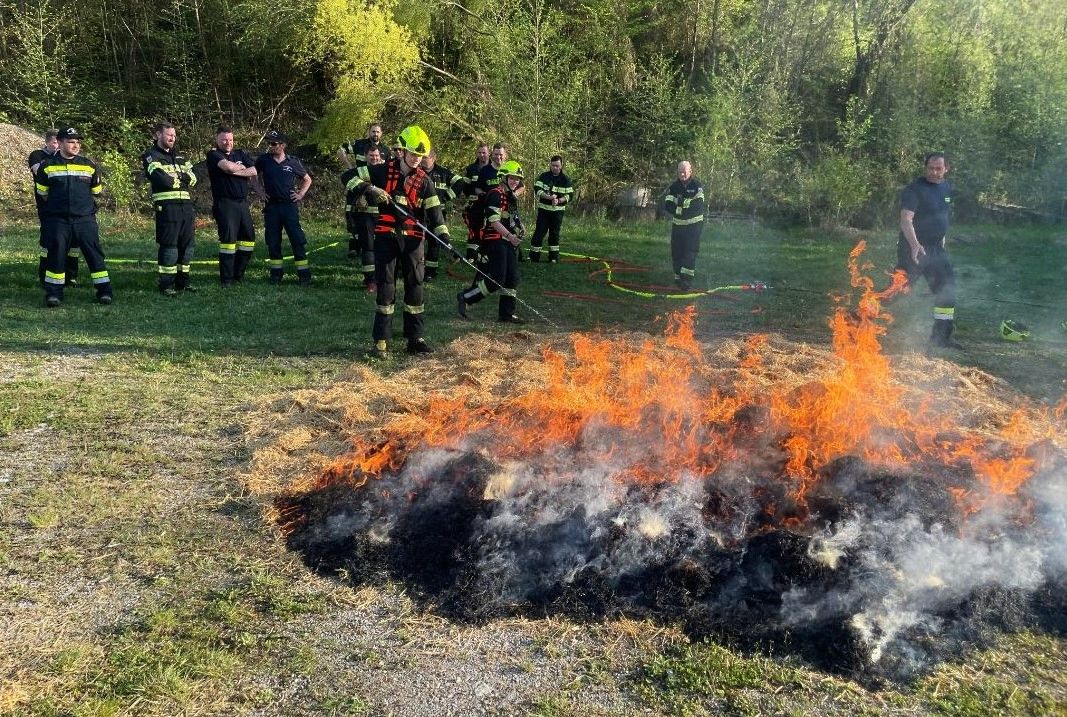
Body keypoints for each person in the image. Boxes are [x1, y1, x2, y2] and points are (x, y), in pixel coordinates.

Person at [346, 125, 450, 358]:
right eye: (413, 154)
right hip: (386, 237)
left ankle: (415, 339)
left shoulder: (425, 181)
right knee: (387, 288)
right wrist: (370, 189)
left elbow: (435, 214)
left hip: (413, 240)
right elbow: (348, 178)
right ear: (402, 151)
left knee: (416, 287)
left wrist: (444, 237)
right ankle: (381, 341)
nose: (416, 160)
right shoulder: (381, 171)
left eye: (420, 156)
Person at [35, 126, 112, 307]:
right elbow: (42, 193)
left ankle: (104, 292)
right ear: (60, 143)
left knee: (95, 255)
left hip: (85, 220)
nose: (75, 145)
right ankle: (53, 294)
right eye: (71, 141)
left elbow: (97, 191)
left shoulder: (89, 165)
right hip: (58, 220)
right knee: (56, 255)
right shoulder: (47, 166)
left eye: (78, 141)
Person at [897, 152, 959, 350]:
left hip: (936, 250)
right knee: (897, 291)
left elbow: (940, 217)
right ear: (925, 168)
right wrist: (915, 245)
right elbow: (906, 219)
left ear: (946, 169)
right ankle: (855, 321)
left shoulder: (946, 188)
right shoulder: (914, 190)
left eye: (938, 169)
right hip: (914, 249)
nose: (933, 172)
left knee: (947, 291)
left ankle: (941, 337)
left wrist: (941, 242)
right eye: (930, 168)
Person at [457, 160, 525, 324]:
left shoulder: (510, 197)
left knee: (512, 278)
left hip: (507, 241)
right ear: (504, 177)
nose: (515, 181)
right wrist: (510, 236)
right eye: (512, 178)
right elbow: (494, 221)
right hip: (495, 241)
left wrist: (521, 228)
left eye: (517, 179)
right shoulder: (495, 194)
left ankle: (506, 314)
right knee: (498, 279)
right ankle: (466, 297)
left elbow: (512, 218)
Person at [143, 121, 197, 296]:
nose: (173, 138)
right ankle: (166, 285)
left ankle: (184, 282)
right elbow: (162, 180)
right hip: (167, 209)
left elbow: (194, 178)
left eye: (174, 135)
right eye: (169, 135)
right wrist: (181, 179)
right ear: (158, 135)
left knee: (187, 246)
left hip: (186, 209)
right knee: (170, 246)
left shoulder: (181, 158)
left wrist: (178, 177)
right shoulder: (151, 156)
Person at [253, 130, 313, 285]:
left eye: (274, 143)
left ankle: (304, 275)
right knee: (273, 241)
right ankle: (276, 274)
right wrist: (260, 191)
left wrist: (300, 194)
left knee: (297, 240)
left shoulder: (293, 162)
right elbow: (252, 175)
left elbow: (307, 179)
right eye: (269, 144)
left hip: (289, 207)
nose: (271, 147)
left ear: (283, 145)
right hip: (272, 207)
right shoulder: (264, 160)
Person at [206, 126, 258, 286]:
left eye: (230, 139)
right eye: (224, 139)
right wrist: (240, 168)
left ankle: (238, 274)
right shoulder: (213, 154)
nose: (228, 142)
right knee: (228, 241)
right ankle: (226, 279)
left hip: (242, 203)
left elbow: (254, 171)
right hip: (225, 203)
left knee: (248, 239)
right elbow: (227, 166)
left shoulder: (240, 153)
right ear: (217, 140)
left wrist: (236, 171)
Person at [28, 129, 80, 286]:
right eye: (54, 142)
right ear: (48, 142)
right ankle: (45, 275)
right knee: (48, 241)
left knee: (73, 243)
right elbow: (40, 172)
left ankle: (70, 275)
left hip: (68, 208)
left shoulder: (69, 160)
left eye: (59, 143)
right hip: (46, 207)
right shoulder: (37, 155)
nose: (57, 146)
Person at [341, 146, 384, 291]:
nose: (374, 158)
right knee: (369, 247)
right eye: (371, 155)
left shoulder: (386, 170)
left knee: (384, 248)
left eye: (376, 155)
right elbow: (349, 183)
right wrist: (365, 191)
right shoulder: (361, 171)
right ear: (365, 156)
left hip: (384, 215)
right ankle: (370, 280)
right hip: (366, 215)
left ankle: (383, 277)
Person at [421, 150, 464, 280]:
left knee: (435, 242)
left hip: (437, 214)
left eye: (426, 157)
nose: (423, 160)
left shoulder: (443, 172)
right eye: (422, 157)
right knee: (417, 241)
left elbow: (460, 182)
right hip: (420, 213)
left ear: (433, 158)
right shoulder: (417, 172)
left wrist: (446, 196)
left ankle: (430, 272)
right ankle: (416, 268)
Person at [663, 160, 705, 290]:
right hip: (678, 226)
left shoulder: (697, 186)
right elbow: (668, 205)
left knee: (690, 252)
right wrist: (682, 207)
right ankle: (678, 277)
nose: (682, 174)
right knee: (677, 252)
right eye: (679, 171)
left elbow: (697, 206)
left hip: (694, 226)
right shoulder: (673, 187)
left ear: (690, 171)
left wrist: (680, 204)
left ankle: (686, 281)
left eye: (684, 171)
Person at [529, 155, 574, 263]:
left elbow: (570, 195)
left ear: (561, 165)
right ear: (550, 165)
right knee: (539, 233)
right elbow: (537, 189)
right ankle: (533, 257)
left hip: (557, 213)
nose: (555, 168)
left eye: (557, 166)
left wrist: (559, 200)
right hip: (544, 211)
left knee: (554, 234)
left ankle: (553, 257)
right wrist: (548, 197)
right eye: (553, 165)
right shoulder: (544, 176)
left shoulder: (565, 180)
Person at [461, 143, 490, 261]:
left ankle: (484, 254)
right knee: (474, 229)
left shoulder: (493, 169)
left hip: (489, 204)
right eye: (480, 153)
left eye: (484, 152)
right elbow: (465, 188)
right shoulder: (470, 169)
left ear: (489, 153)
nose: (482, 155)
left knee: (488, 229)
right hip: (474, 204)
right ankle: (472, 256)